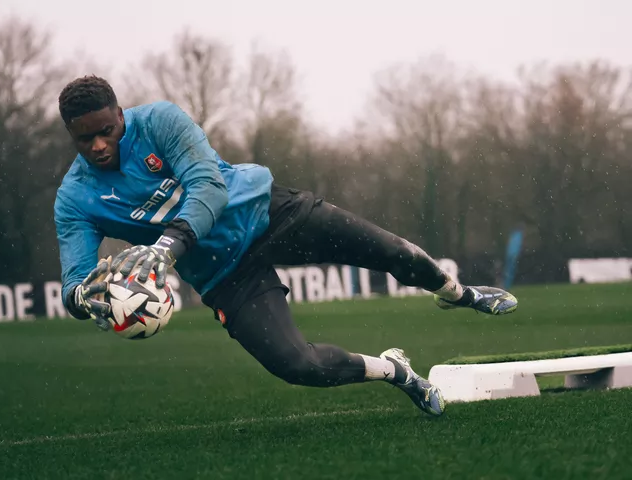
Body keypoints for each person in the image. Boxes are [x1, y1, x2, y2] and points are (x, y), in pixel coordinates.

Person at [54, 75, 518, 417]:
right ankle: (396, 371)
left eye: (105, 131)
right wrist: (85, 298)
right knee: (297, 365)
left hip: (265, 212)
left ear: (120, 115)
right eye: (83, 139)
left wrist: (166, 247)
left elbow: (208, 187)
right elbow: (73, 282)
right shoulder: (74, 198)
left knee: (394, 253)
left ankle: (461, 295)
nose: (97, 145)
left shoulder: (160, 120)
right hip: (222, 272)